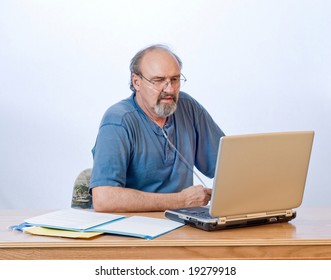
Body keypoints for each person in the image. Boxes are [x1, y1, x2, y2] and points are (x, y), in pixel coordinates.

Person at [89, 44, 225, 212]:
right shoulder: (118, 120)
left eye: (174, 79)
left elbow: (228, 167)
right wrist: (180, 200)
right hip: (135, 228)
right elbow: (104, 199)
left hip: (182, 226)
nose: (169, 89)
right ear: (136, 81)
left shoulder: (188, 107)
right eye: (159, 80)